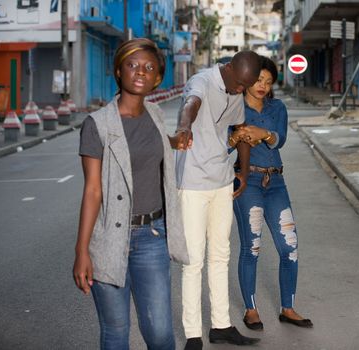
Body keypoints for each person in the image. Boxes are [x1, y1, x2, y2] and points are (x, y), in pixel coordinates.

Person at [73, 38, 189, 350]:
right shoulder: (96, 125)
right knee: (115, 333)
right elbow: (93, 190)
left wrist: (175, 142)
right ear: (119, 71)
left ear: (158, 79)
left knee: (161, 334)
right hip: (109, 239)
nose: (141, 72)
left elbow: (147, 146)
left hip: (152, 235)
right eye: (133, 65)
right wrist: (81, 251)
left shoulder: (154, 114)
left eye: (149, 67)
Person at [170, 51, 262, 350]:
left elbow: (239, 130)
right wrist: (184, 126)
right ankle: (193, 334)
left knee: (220, 255)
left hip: (222, 180)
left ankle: (221, 326)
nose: (241, 90)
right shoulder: (202, 81)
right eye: (239, 84)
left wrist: (243, 171)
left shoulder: (236, 88)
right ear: (229, 68)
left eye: (245, 87)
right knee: (193, 260)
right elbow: (191, 104)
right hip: (194, 183)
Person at [229, 56, 313, 331]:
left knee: (289, 247)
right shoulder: (234, 107)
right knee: (251, 248)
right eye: (258, 80)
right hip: (248, 181)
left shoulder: (277, 108)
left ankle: (287, 308)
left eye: (268, 81)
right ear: (247, 79)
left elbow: (281, 138)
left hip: (276, 182)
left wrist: (262, 132)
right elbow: (226, 146)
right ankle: (250, 309)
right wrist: (238, 136)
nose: (263, 85)